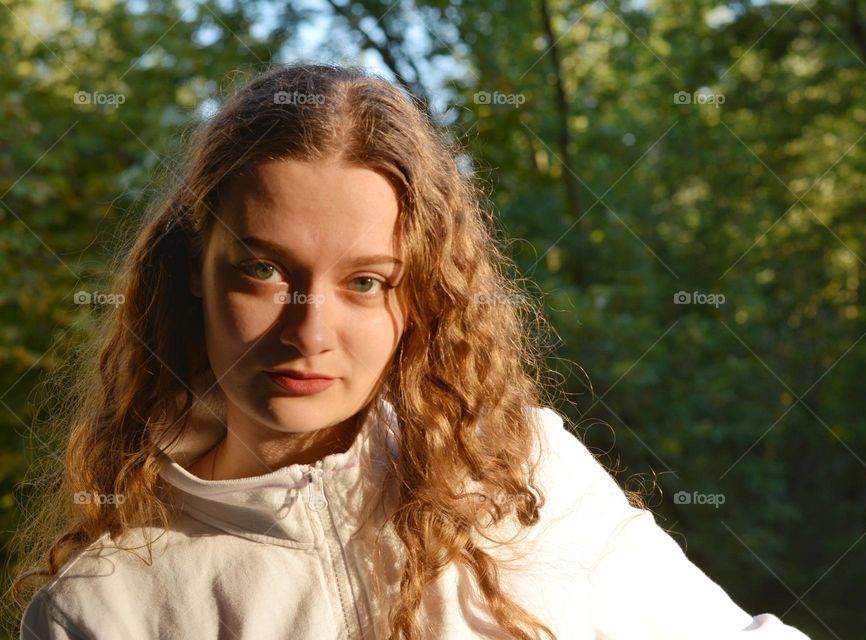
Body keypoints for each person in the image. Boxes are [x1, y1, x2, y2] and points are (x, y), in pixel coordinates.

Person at [12, 63, 812, 639]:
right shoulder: (103, 608)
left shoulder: (524, 473)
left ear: (420, 295)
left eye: (365, 282)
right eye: (262, 270)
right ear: (193, 272)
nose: (308, 331)